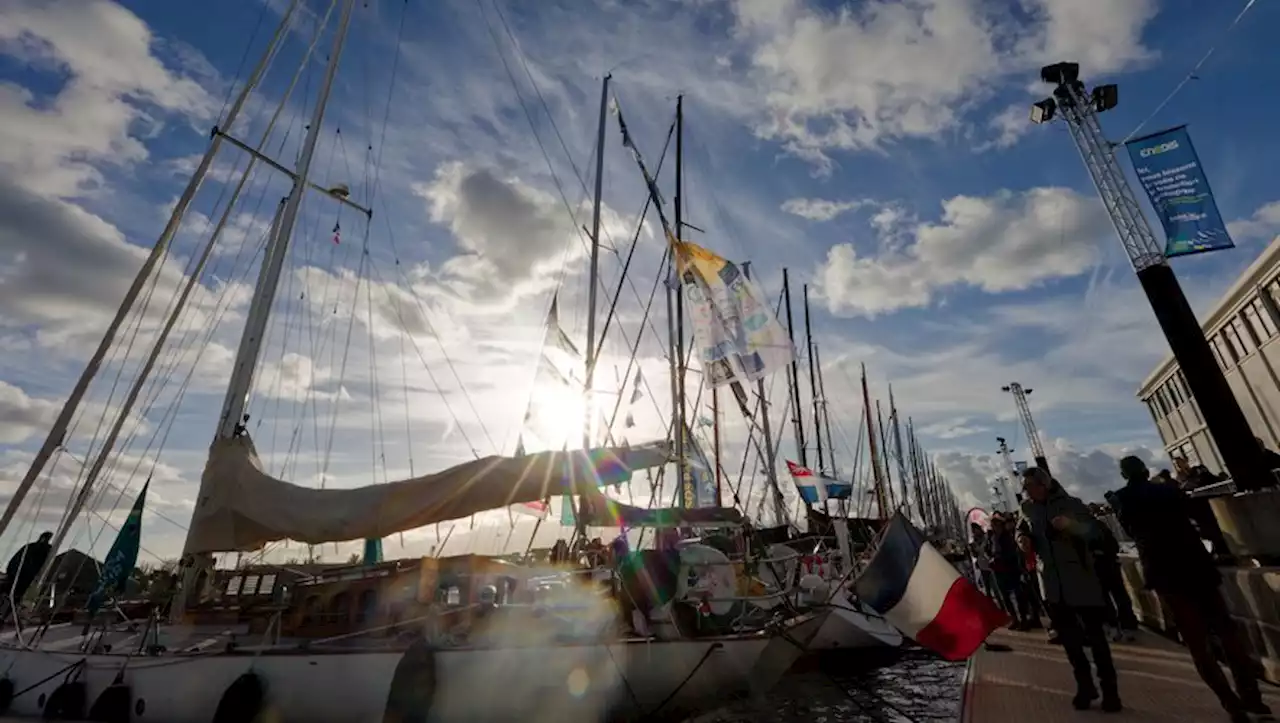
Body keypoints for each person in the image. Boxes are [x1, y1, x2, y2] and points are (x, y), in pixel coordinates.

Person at [1112, 456, 1271, 723]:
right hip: (1196, 565)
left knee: (1198, 643)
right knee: (1228, 633)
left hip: (1164, 572)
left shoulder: (1121, 498)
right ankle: (1253, 698)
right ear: (1144, 469)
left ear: (1123, 473)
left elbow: (1128, 530)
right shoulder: (1168, 490)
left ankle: (1231, 704)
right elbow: (1198, 515)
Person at [1018, 468, 1121, 712]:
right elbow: (1022, 529)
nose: (1027, 490)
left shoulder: (1072, 505)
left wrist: (1071, 525)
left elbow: (1095, 533)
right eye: (1025, 486)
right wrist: (1021, 538)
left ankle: (1111, 692)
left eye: (1031, 485)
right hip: (1052, 584)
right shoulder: (1027, 508)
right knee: (1071, 643)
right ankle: (1085, 686)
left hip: (1081, 580)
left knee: (1096, 641)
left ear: (1045, 484)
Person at [1091, 516, 1138, 642]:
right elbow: (1114, 545)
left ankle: (1113, 627)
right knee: (1120, 595)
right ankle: (1128, 626)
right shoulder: (1099, 524)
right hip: (1111, 565)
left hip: (1096, 568)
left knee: (1104, 599)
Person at [988, 514, 1031, 629]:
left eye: (996, 524)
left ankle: (1023, 619)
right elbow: (990, 551)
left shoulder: (1007, 537)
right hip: (998, 570)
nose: (994, 527)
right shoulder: (992, 538)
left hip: (1010, 568)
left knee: (1017, 595)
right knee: (1005, 597)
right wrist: (991, 559)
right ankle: (1014, 619)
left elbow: (1012, 553)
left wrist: (1000, 559)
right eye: (993, 525)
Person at [0, 532, 52, 622]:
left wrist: (10, 570)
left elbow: (16, 558)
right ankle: (3, 617)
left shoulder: (30, 546)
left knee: (10, 594)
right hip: (24, 577)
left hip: (18, 575)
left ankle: (3, 617)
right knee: (14, 597)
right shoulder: (45, 549)